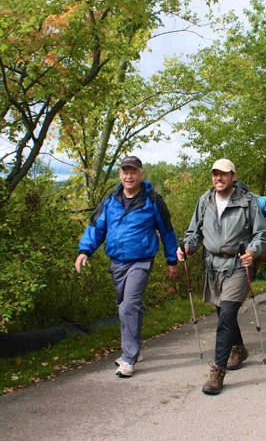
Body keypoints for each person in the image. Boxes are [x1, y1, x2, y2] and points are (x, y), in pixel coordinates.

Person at [74, 155, 179, 378]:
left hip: (141, 261)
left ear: (141, 175)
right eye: (125, 171)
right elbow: (96, 228)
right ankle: (135, 348)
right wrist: (85, 251)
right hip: (117, 262)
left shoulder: (152, 200)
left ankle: (129, 358)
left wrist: (172, 261)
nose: (129, 175)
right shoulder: (110, 200)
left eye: (133, 171)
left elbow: (167, 231)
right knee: (127, 304)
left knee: (128, 306)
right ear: (120, 174)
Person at [176, 158, 266, 395]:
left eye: (224, 174)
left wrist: (252, 252)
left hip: (237, 265)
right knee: (223, 314)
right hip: (212, 265)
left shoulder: (246, 202)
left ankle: (217, 372)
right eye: (215, 174)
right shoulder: (204, 201)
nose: (219, 178)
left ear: (233, 177)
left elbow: (261, 234)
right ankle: (239, 348)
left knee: (227, 314)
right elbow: (193, 233)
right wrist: (187, 247)